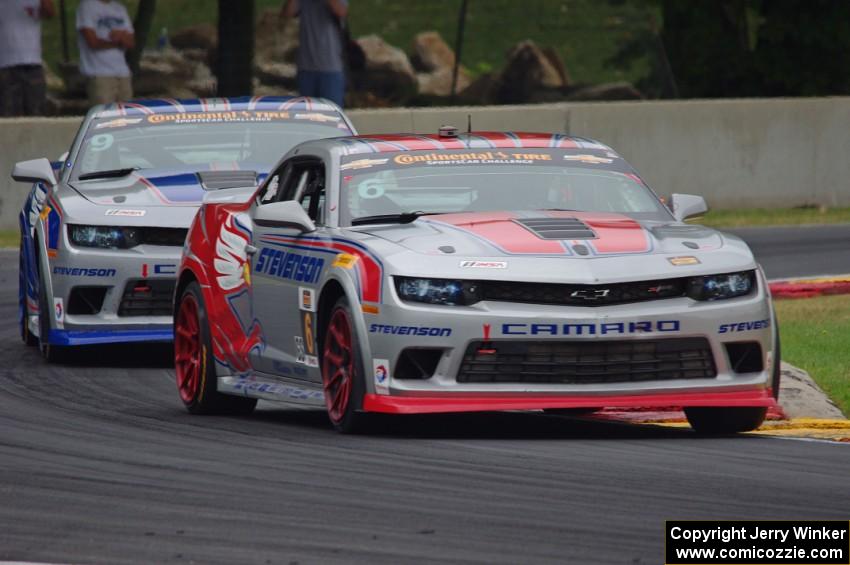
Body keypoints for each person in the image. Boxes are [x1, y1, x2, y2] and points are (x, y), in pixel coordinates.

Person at [280, 0, 349, 107]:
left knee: (331, 116)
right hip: (306, 67)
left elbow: (341, 11)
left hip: (331, 68)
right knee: (307, 116)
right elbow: (287, 13)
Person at [0, 0, 56, 116]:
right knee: (9, 114)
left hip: (33, 63)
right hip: (6, 64)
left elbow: (50, 13)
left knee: (37, 112)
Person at [76, 0, 134, 106]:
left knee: (127, 116)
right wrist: (118, 40)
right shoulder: (87, 6)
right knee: (104, 116)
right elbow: (92, 42)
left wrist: (118, 38)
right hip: (100, 75)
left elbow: (131, 42)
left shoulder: (120, 9)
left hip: (123, 73)